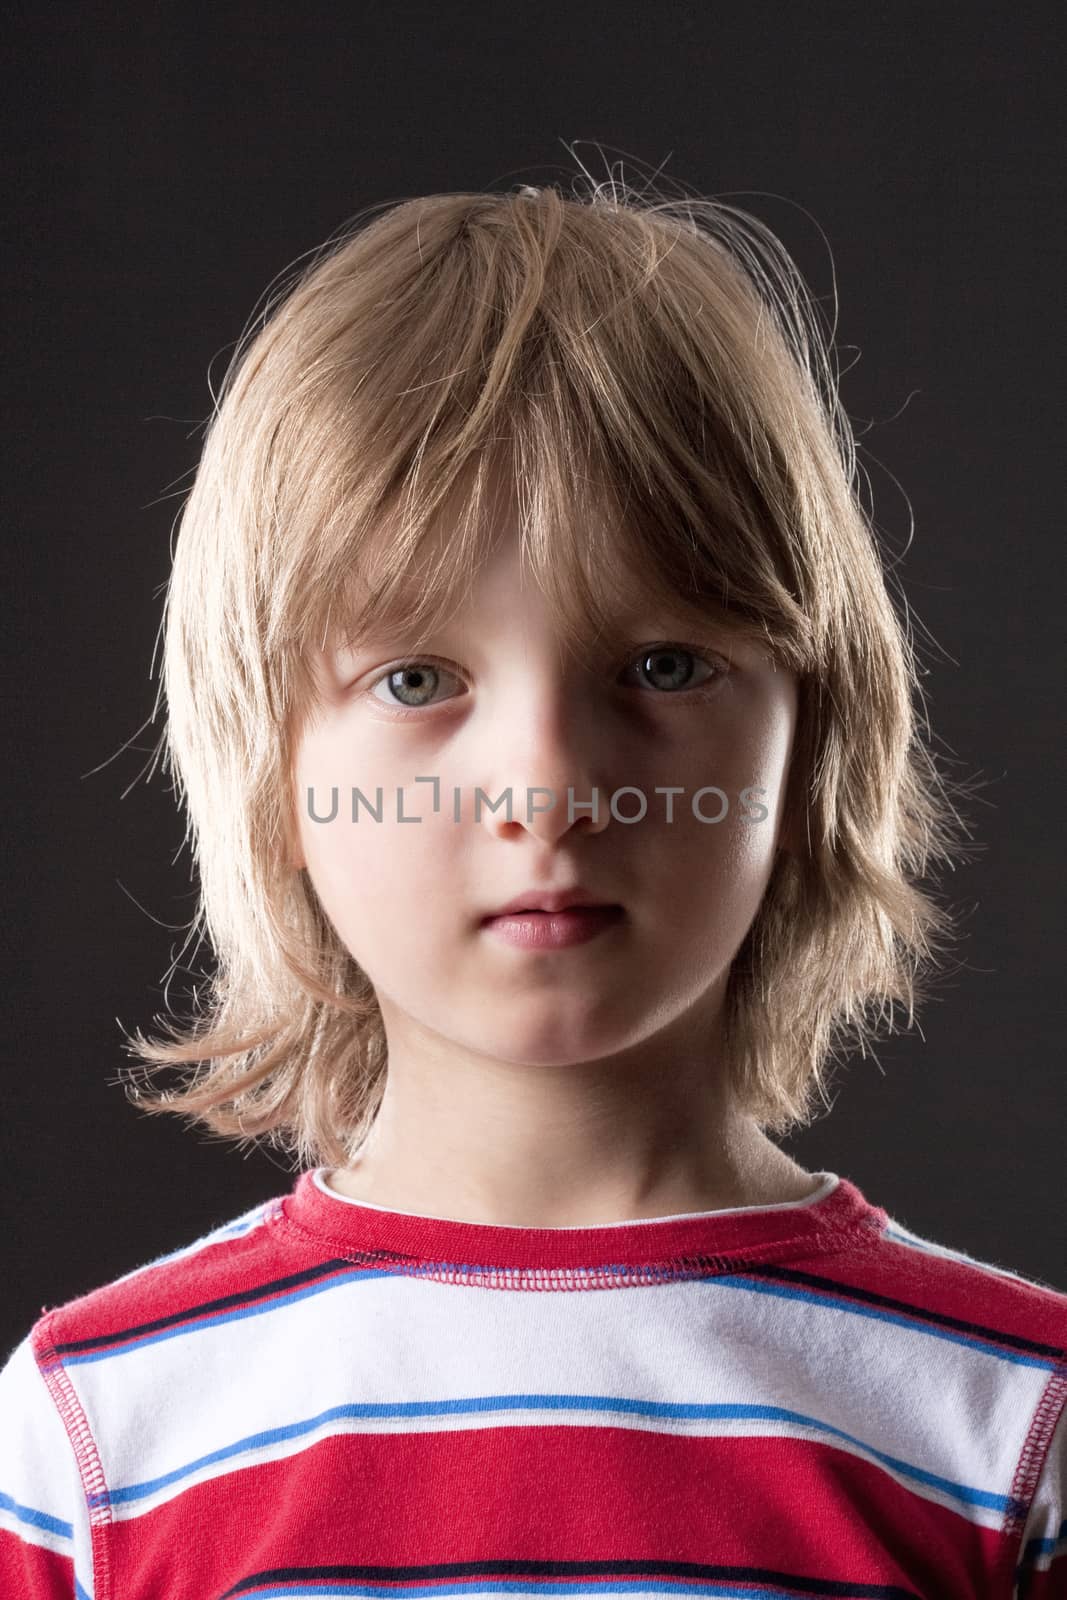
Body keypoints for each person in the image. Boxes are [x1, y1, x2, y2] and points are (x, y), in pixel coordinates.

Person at [2, 176, 1064, 1598]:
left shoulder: (1011, 1430)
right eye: (418, 680)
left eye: (665, 666)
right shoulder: (96, 1442)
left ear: (816, 736)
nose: (549, 788)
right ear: (275, 771)